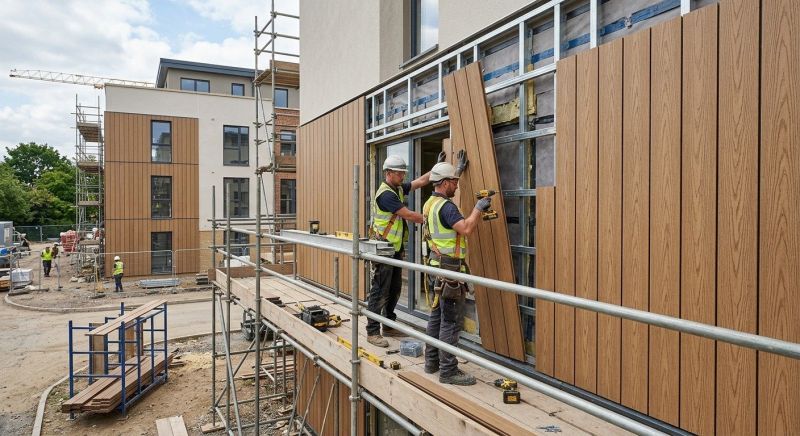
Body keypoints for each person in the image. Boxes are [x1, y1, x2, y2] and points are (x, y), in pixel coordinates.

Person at [422, 155, 492, 386]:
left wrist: (458, 169)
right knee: (450, 322)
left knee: (436, 317)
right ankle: (449, 371)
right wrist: (478, 208)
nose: (457, 185)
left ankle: (431, 362)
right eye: (453, 181)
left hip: (435, 267)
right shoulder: (448, 207)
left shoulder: (430, 203)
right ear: (444, 183)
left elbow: (447, 187)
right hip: (449, 271)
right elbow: (467, 228)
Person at [366, 153, 445, 347]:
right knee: (380, 290)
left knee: (394, 289)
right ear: (389, 173)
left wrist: (437, 168)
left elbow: (419, 182)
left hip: (394, 248)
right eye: (400, 173)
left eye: (403, 173)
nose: (403, 177)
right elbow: (408, 214)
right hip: (383, 249)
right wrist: (433, 218)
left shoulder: (397, 188)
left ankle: (388, 324)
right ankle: (372, 331)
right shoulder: (385, 194)